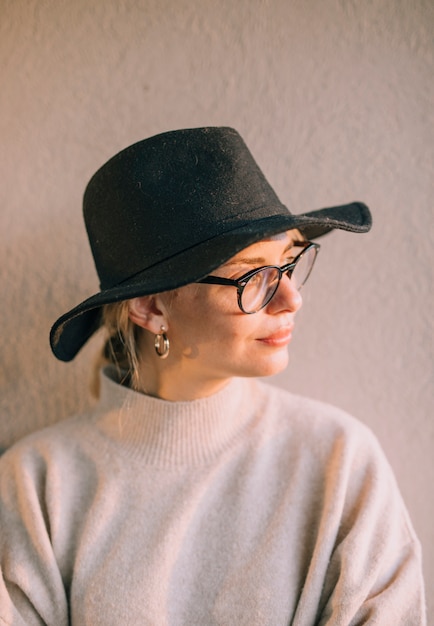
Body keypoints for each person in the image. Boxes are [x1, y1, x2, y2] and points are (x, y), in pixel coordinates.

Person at [0, 127, 426, 625]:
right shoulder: (35, 486)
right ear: (151, 305)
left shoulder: (341, 463)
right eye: (254, 274)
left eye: (289, 263)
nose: (292, 299)